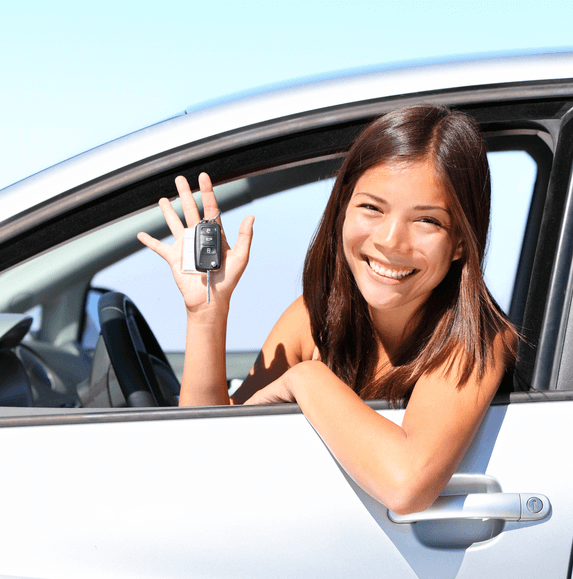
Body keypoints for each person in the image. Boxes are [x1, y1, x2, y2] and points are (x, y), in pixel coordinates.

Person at [137, 103, 517, 515]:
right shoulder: (313, 318)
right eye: (372, 208)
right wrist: (207, 313)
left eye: (426, 220)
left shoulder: (478, 338)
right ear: (341, 211)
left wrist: (305, 378)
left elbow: (406, 485)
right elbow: (207, 453)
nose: (391, 241)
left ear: (461, 242)